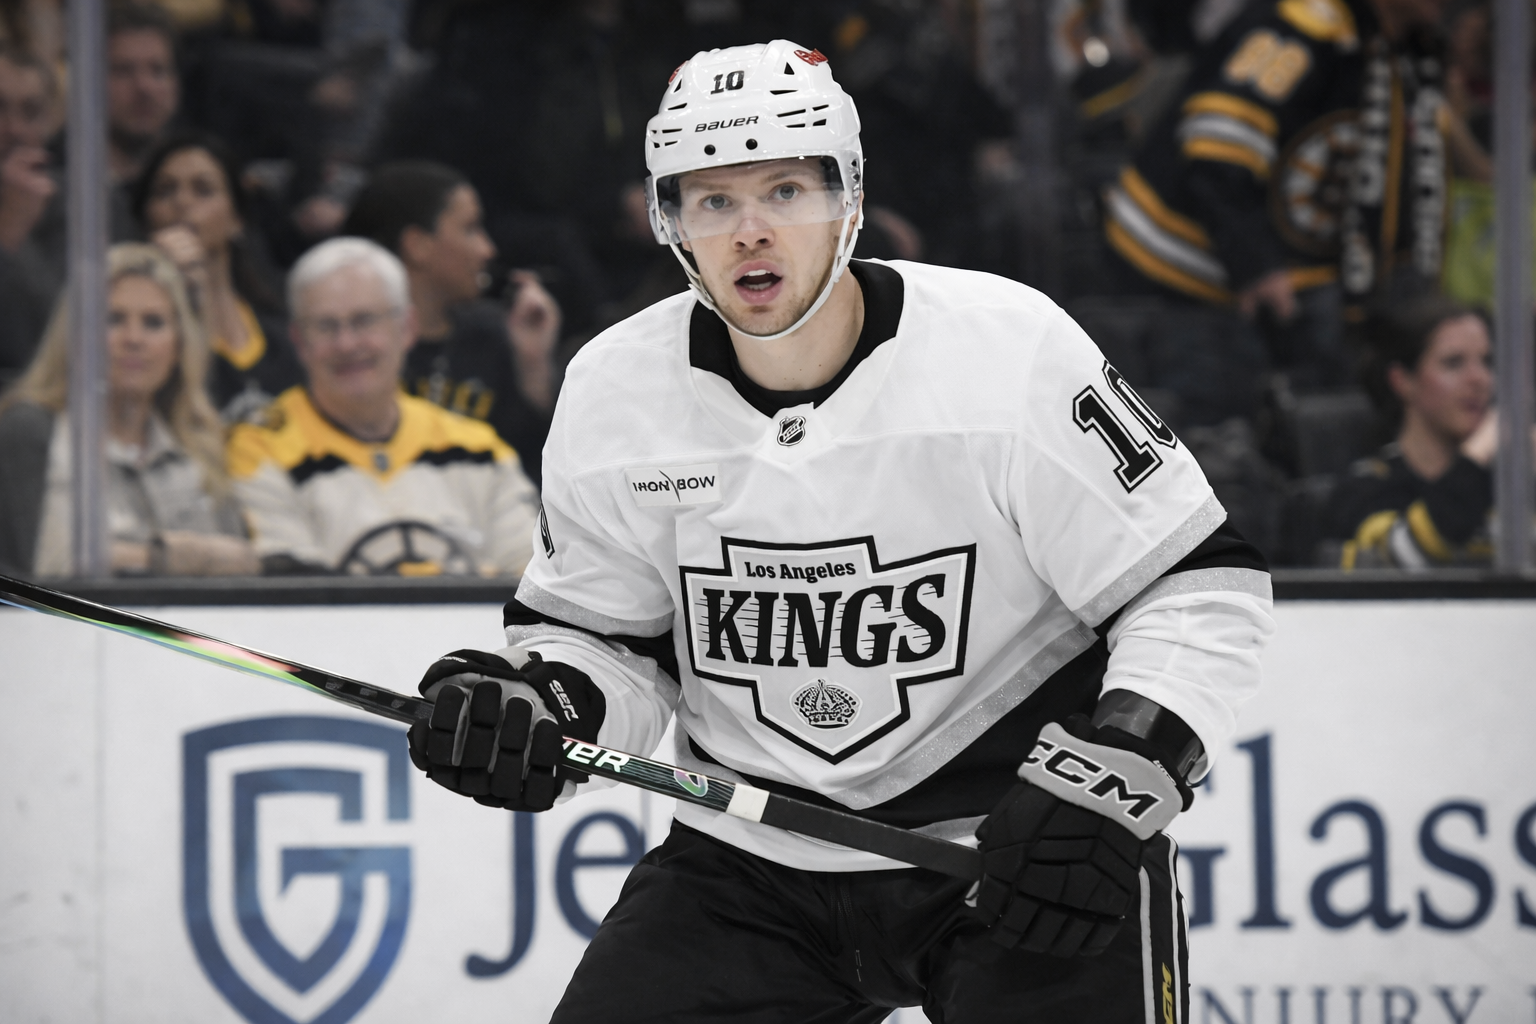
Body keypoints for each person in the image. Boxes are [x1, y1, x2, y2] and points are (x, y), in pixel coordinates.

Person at [405, 41, 1274, 1022]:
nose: (750, 233)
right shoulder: (616, 391)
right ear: (670, 221)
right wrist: (541, 706)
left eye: (784, 189)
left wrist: (1124, 765)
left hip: (1017, 853)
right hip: (750, 865)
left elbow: (1198, 585)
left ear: (849, 197)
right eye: (712, 200)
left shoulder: (1008, 347)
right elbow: (604, 644)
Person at [1102, 0, 1456, 390]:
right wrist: (1257, 263)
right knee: (1207, 430)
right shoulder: (1300, 28)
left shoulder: (1397, 47)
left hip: (1288, 285)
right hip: (1179, 274)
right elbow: (1215, 152)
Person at [226, 237, 539, 577]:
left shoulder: (480, 450)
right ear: (299, 341)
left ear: (407, 328)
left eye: (364, 321)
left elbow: (531, 583)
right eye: (326, 326)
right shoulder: (256, 449)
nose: (346, 344)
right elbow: (293, 595)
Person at [0, 243, 258, 577]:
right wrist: (167, 557)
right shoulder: (30, 430)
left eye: (153, 323)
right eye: (113, 319)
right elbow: (41, 566)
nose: (133, 338)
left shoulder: (199, 447)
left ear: (179, 345)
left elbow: (241, 566)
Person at [343, 161, 561, 485]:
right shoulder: (352, 350)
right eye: (470, 229)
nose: (489, 249)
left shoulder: (493, 334)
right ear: (418, 245)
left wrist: (533, 366)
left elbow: (539, 471)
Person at [135, 133, 303, 423]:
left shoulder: (283, 330)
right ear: (147, 217)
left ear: (236, 219)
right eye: (165, 191)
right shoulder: (136, 331)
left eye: (203, 190)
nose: (182, 201)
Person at [1322, 296, 1497, 568]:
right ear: (1402, 380)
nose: (1479, 379)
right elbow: (1403, 559)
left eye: (1487, 361)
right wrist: (1476, 457)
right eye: (1454, 363)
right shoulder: (1364, 490)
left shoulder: (1511, 486)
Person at [0, 43, 61, 388]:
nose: (14, 129)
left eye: (31, 112)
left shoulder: (86, 203)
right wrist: (7, 230)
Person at [107, 4, 181, 187]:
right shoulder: (56, 182)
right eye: (124, 70)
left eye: (157, 71)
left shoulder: (197, 174)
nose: (144, 87)